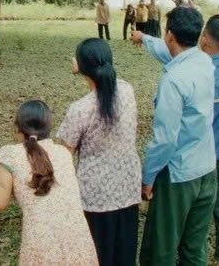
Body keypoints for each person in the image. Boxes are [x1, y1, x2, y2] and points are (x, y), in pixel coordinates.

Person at [135, 16, 219, 265]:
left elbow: (165, 140)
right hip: (207, 168)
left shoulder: (173, 79)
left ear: (169, 35)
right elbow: (170, 53)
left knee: (160, 250)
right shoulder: (205, 62)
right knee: (194, 248)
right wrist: (146, 40)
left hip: (179, 175)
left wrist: (148, 177)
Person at [0, 100, 98, 265]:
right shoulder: (63, 154)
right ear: (49, 128)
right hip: (79, 244)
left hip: (41, 248)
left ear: (17, 129)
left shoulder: (10, 154)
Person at [57, 38, 140, 266]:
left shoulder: (80, 109)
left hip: (95, 196)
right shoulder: (127, 90)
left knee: (97, 256)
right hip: (127, 187)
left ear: (81, 67)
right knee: (124, 255)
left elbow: (63, 156)